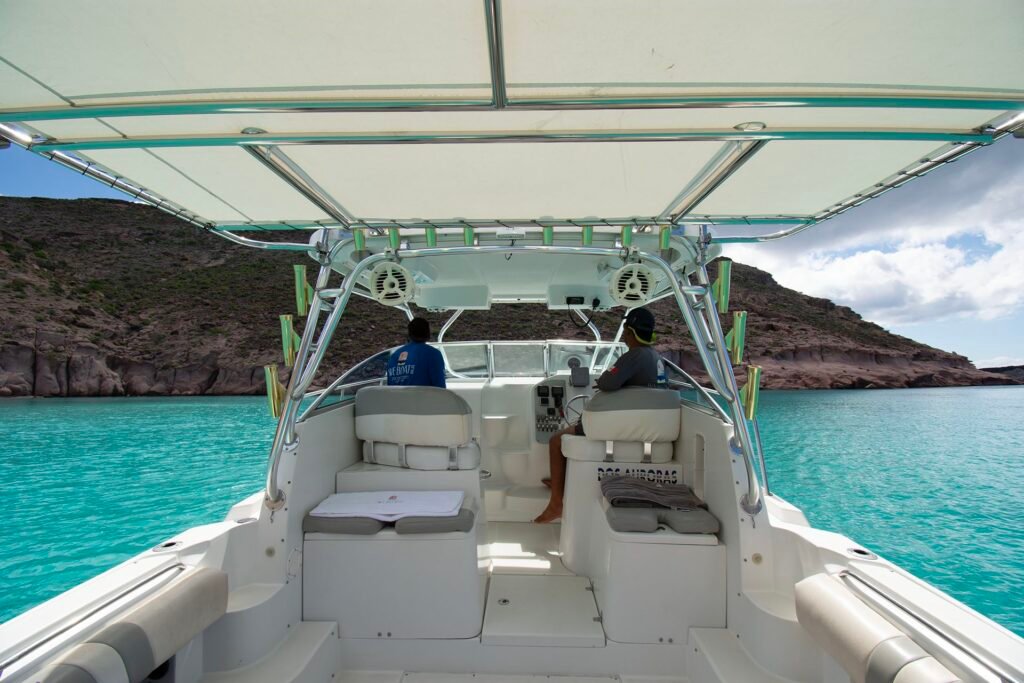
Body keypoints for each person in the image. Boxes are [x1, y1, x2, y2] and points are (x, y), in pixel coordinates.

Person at [534, 307, 663, 523]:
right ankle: (560, 483)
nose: (624, 335)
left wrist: (604, 381)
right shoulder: (654, 356)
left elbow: (607, 382)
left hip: (619, 425)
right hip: (643, 424)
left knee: (556, 440)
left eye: (625, 331)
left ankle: (556, 503)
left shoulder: (634, 355)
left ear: (630, 332)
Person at [386, 317, 447, 388]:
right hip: (424, 395)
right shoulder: (433, 354)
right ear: (428, 334)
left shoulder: (394, 356)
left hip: (397, 395)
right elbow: (440, 388)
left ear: (409, 334)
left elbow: (390, 387)